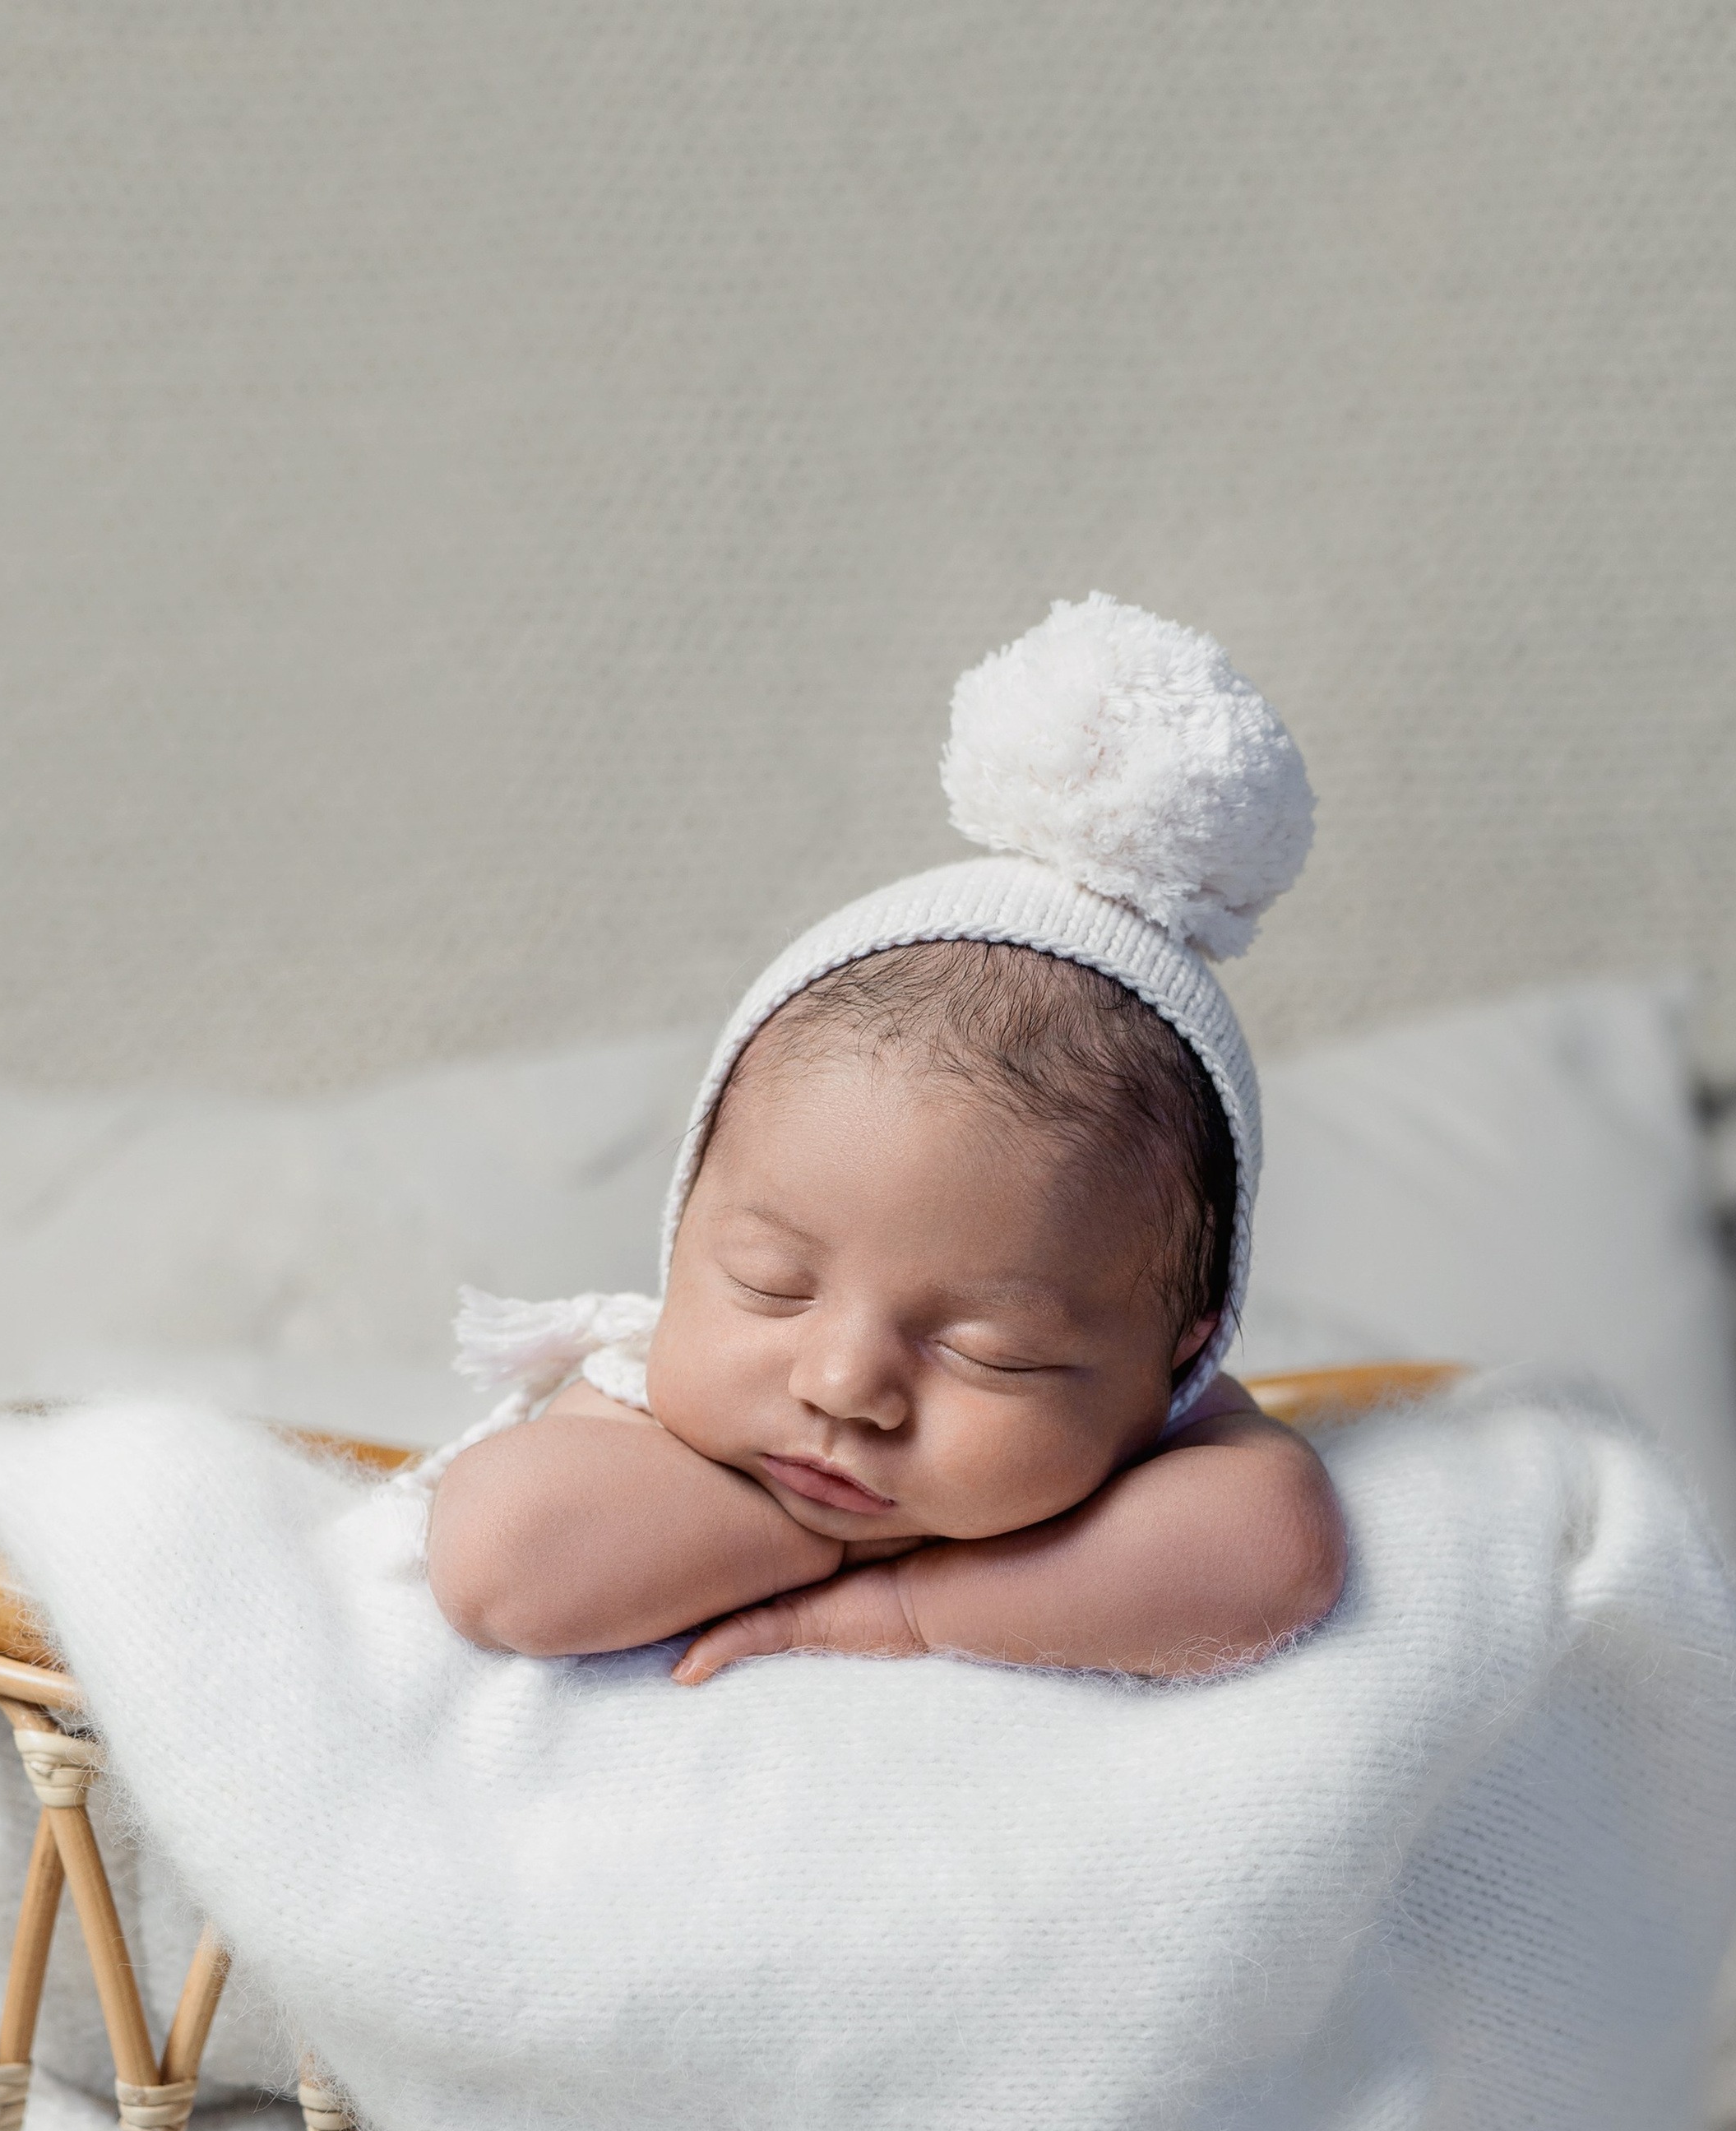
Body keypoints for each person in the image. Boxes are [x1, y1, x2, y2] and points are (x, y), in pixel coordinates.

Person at [425, 595, 1344, 1684]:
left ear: (1180, 1357)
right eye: (771, 1283)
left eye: (987, 1353)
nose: (844, 1382)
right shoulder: (640, 1415)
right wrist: (852, 1534)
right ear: (684, 1233)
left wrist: (905, 1606)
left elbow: (1275, 1555)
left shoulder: (1167, 1442)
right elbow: (499, 1564)